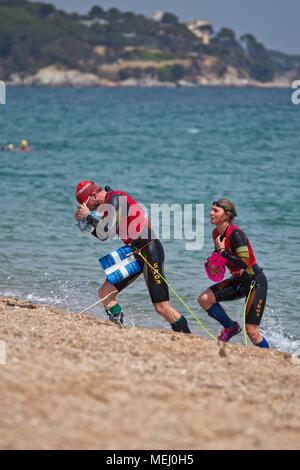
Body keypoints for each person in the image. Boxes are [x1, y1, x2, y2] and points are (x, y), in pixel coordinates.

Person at [74, 180, 191, 333]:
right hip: (135, 252)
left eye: (86, 203)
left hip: (150, 251)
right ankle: (119, 330)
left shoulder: (116, 198)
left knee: (162, 307)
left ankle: (186, 335)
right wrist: (85, 222)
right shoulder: (110, 206)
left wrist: (88, 216)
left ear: (94, 194)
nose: (88, 207)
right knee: (105, 293)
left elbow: (107, 231)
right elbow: (103, 236)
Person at [198, 199, 269, 348]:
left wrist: (223, 252)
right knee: (204, 299)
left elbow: (244, 262)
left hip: (255, 282)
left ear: (227, 215)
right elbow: (218, 254)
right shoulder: (216, 233)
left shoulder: (236, 234)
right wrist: (211, 263)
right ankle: (231, 327)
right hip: (238, 281)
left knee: (252, 331)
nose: (211, 213)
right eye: (211, 209)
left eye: (215, 211)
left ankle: (271, 358)